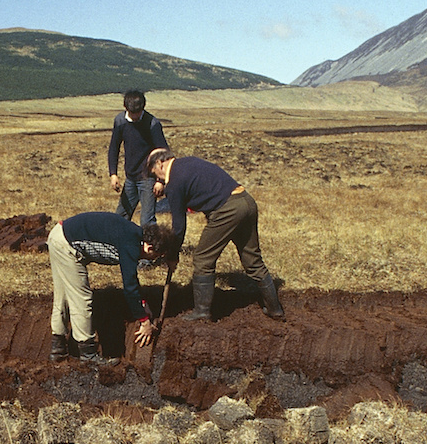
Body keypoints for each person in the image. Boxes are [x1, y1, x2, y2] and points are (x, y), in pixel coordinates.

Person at [146, 147, 284, 321]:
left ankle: (202, 311)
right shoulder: (190, 161)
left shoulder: (174, 182)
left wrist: (172, 255)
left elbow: (179, 226)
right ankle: (275, 309)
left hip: (227, 210)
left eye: (155, 174)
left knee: (203, 258)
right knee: (252, 260)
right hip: (247, 202)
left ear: (160, 163)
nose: (157, 179)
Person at [48, 212, 183, 365]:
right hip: (66, 244)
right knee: (82, 299)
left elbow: (132, 279)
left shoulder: (135, 236)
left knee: (63, 296)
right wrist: (144, 322)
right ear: (150, 248)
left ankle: (57, 349)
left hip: (59, 235)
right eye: (156, 257)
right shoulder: (130, 244)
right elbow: (129, 287)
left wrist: (142, 303)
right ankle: (88, 355)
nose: (152, 260)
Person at [107, 89, 168, 226]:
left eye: (137, 113)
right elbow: (113, 148)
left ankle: (151, 246)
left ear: (143, 108)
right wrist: (113, 174)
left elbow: (163, 153)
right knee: (120, 217)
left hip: (148, 178)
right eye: (131, 113)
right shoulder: (120, 121)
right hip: (131, 177)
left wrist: (160, 180)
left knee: (147, 221)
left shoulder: (152, 124)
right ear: (125, 108)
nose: (134, 117)